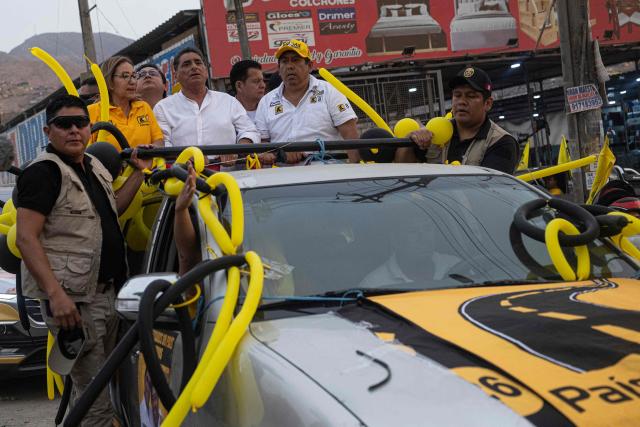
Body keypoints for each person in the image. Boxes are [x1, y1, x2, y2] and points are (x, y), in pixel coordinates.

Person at [15, 94, 150, 426]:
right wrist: (57, 296)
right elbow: (25, 237)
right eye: (64, 124)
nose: (74, 130)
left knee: (115, 389)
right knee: (95, 399)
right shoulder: (44, 173)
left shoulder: (92, 166)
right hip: (77, 303)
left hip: (109, 295)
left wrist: (139, 174)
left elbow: (111, 210)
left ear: (90, 128)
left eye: (80, 122)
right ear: (48, 131)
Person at [396, 66, 518, 174]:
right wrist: (410, 140)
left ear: (488, 103)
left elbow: (491, 191)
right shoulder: (433, 133)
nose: (461, 102)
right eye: (457, 95)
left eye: (471, 96)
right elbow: (402, 171)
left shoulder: (501, 142)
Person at [254, 39, 359, 164]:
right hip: (282, 175)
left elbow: (350, 134)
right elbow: (262, 143)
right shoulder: (266, 101)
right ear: (279, 68)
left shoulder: (328, 92)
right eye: (284, 61)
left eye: (295, 60)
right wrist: (278, 154)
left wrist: (357, 171)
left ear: (309, 66)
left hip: (327, 171)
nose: (289, 66)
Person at [153, 47, 260, 152]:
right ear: (176, 75)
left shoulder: (228, 102)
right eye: (186, 64)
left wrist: (235, 150)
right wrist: (185, 156)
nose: (194, 67)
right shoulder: (163, 107)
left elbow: (249, 130)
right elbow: (163, 142)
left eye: (198, 63)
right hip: (182, 168)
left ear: (206, 71)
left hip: (227, 169)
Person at [88, 55, 164, 150]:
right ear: (109, 81)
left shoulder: (143, 107)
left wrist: (149, 150)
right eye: (125, 76)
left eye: (134, 76)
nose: (132, 81)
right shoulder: (92, 111)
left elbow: (159, 141)